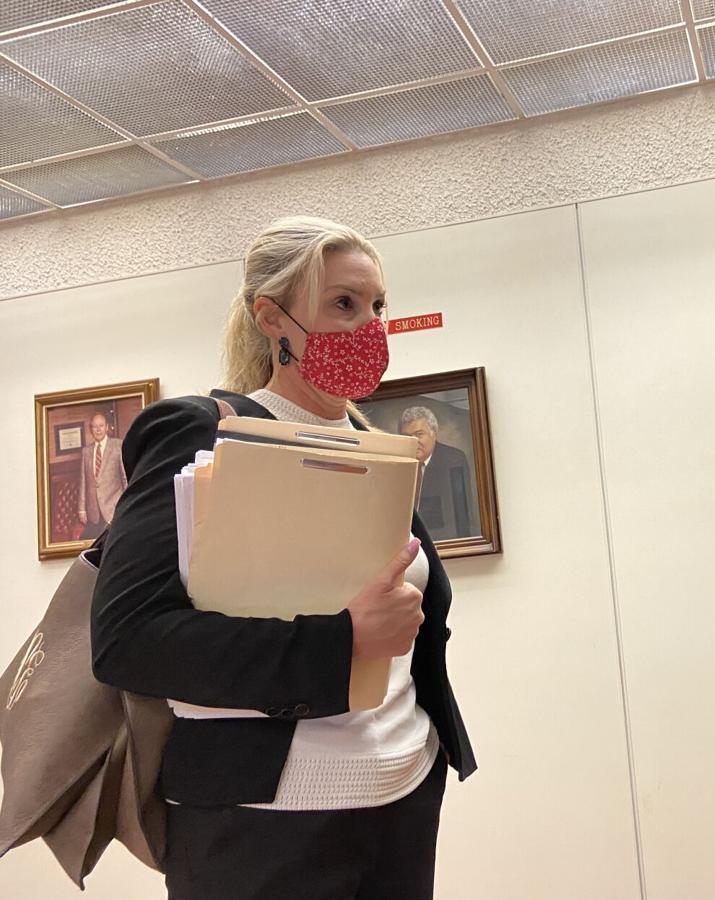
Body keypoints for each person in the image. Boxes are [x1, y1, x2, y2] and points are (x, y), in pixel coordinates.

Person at [90, 216, 475, 899]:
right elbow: (130, 641)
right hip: (263, 822)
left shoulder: (372, 444)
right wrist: (343, 641)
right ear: (272, 317)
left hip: (405, 793)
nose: (368, 327)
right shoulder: (203, 435)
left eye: (377, 305)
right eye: (343, 304)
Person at [400, 405, 478, 540]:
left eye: (419, 434)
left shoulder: (453, 459)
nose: (414, 441)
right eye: (407, 436)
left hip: (443, 540)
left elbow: (461, 516)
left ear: (434, 434)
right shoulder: (397, 462)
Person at [77, 412, 125, 540]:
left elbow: (124, 478)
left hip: (113, 508)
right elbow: (83, 483)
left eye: (101, 426)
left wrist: (126, 503)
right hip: (94, 512)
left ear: (107, 427)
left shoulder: (118, 446)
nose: (98, 429)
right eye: (94, 426)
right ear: (91, 429)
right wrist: (81, 509)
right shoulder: (86, 452)